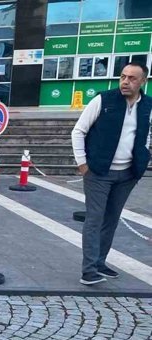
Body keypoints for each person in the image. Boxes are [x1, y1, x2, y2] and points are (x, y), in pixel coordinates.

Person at [71, 61, 150, 285]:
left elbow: (145, 135)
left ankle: (99, 262)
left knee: (112, 220)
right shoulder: (103, 100)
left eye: (132, 78)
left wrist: (142, 160)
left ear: (143, 81)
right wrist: (83, 164)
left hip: (127, 174)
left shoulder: (148, 105)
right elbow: (78, 131)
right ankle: (88, 271)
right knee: (94, 220)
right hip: (98, 172)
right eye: (123, 76)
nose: (125, 81)